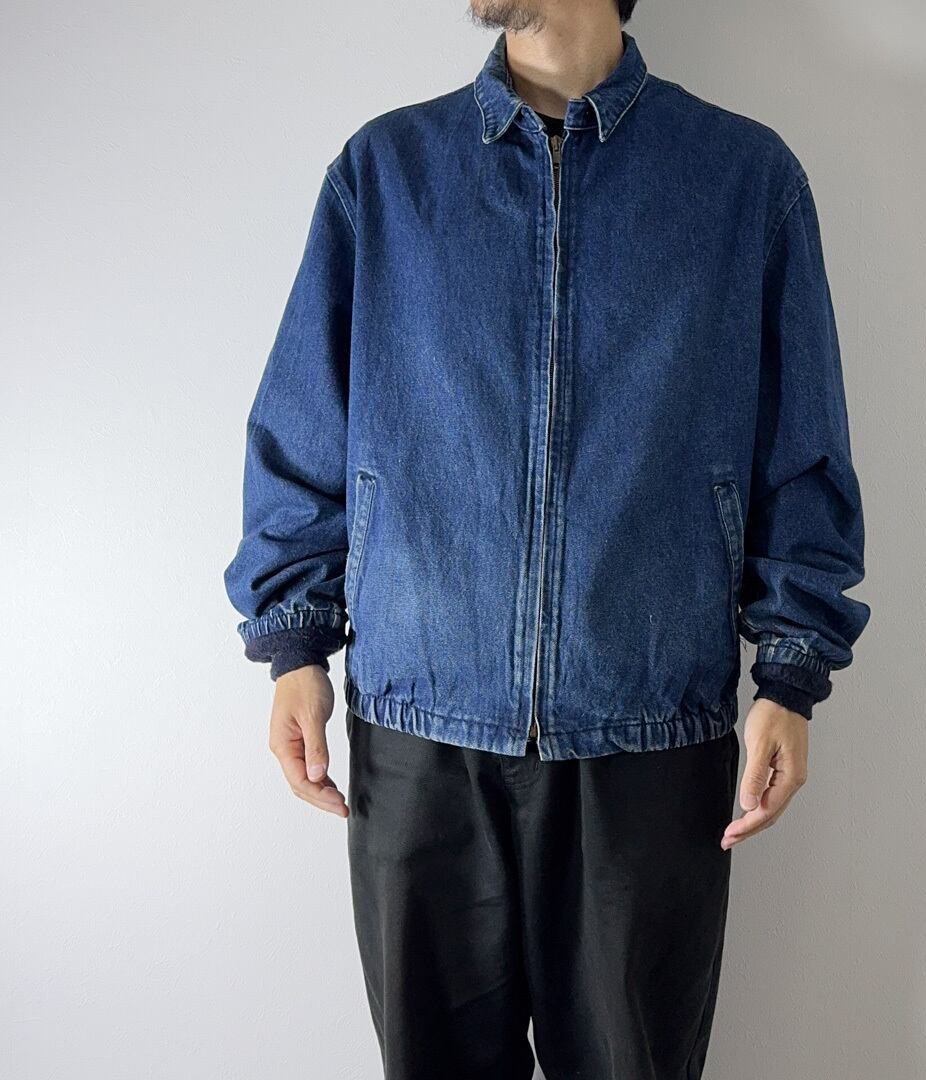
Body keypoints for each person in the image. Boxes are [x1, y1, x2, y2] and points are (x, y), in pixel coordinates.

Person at [223, 1, 870, 1076]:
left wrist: (792, 673)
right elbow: (304, 426)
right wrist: (295, 646)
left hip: (650, 731)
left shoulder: (743, 180)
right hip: (421, 731)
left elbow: (801, 451)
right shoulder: (386, 172)